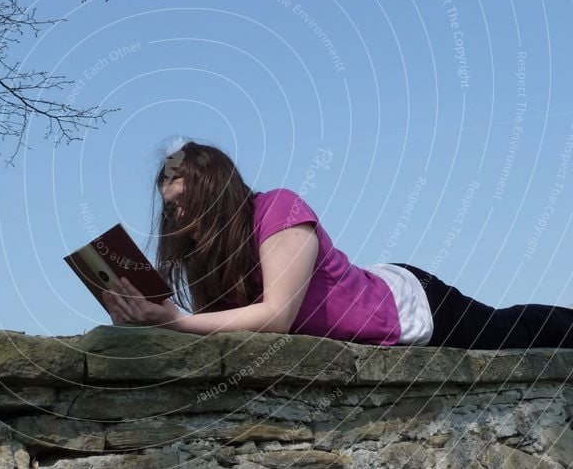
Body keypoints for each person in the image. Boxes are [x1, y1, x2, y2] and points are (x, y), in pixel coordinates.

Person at [102, 141, 573, 349]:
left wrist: (177, 322)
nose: (178, 217)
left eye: (187, 202)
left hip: (411, 305)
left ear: (217, 193)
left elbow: (277, 316)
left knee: (513, 334)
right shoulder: (208, 260)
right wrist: (147, 320)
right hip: (372, 306)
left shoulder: (278, 210)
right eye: (171, 208)